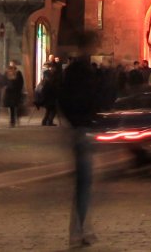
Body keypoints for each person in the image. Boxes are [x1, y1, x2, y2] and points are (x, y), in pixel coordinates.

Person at [58, 31, 113, 247]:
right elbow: (92, 99)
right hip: (82, 129)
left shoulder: (78, 70)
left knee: (85, 183)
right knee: (84, 183)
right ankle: (78, 231)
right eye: (94, 44)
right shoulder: (81, 71)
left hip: (81, 128)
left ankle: (82, 229)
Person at [40, 60, 62, 125]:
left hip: (48, 93)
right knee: (52, 109)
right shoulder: (50, 74)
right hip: (50, 93)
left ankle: (45, 121)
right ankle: (49, 121)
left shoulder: (48, 73)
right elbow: (52, 83)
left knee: (49, 109)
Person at [4, 62, 26, 127]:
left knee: (16, 107)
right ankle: (12, 120)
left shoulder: (18, 73)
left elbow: (21, 82)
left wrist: (19, 90)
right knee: (11, 107)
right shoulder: (6, 74)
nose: (12, 69)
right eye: (11, 67)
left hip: (16, 93)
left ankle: (16, 119)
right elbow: (4, 82)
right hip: (9, 93)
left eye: (13, 67)